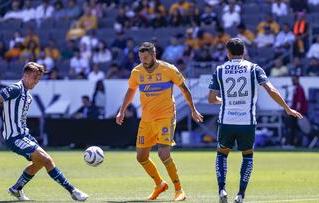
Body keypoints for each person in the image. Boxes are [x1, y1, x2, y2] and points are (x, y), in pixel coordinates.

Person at [208, 38, 303, 203]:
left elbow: (211, 99)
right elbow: (270, 89)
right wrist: (287, 108)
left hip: (226, 121)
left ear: (228, 53)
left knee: (222, 154)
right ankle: (240, 195)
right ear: (244, 52)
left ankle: (222, 190)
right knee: (247, 156)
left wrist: (224, 101)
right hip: (247, 122)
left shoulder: (220, 70)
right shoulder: (253, 68)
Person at [0, 62, 88, 201]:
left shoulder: (28, 96)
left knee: (39, 163)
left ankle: (16, 188)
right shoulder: (15, 89)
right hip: (15, 137)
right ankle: (73, 191)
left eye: (38, 78)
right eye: (34, 77)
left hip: (24, 135)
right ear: (25, 75)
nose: (36, 81)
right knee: (47, 160)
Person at [116, 42, 203, 201]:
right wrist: (122, 110)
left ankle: (179, 190)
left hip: (165, 116)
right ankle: (159, 184)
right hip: (147, 119)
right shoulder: (137, 72)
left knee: (163, 153)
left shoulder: (168, 69)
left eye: (146, 57)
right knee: (141, 157)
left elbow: (184, 88)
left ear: (154, 55)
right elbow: (131, 90)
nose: (143, 61)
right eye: (141, 58)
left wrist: (193, 109)